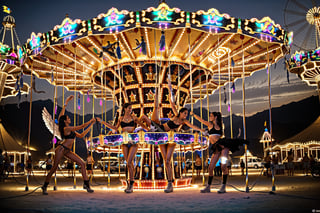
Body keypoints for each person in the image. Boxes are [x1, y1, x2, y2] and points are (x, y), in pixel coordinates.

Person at [139, 76, 204, 193]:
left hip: (171, 138)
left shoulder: (184, 121)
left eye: (186, 114)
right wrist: (169, 87)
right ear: (180, 112)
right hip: (160, 133)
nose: (186, 115)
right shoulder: (175, 115)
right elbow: (171, 102)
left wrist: (201, 130)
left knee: (168, 160)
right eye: (184, 113)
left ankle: (170, 183)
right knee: (165, 160)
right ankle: (143, 128)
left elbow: (192, 126)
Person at [41, 95, 96, 195]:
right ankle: (44, 186)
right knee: (54, 168)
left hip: (67, 151)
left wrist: (91, 125)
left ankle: (86, 185)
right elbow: (81, 126)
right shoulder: (66, 129)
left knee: (83, 164)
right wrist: (90, 121)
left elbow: (82, 134)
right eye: (68, 118)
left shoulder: (70, 130)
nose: (69, 119)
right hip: (61, 149)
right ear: (65, 121)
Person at [191, 111, 249, 193]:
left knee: (223, 166)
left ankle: (223, 186)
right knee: (210, 167)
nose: (210, 117)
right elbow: (201, 120)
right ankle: (208, 187)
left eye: (211, 116)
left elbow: (220, 136)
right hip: (216, 147)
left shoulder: (220, 126)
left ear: (215, 117)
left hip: (224, 146)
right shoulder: (210, 125)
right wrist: (194, 115)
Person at [97, 102, 148, 193]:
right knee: (129, 164)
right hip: (124, 143)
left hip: (133, 142)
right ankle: (130, 183)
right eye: (129, 108)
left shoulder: (134, 118)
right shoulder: (121, 119)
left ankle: (131, 183)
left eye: (131, 108)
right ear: (124, 109)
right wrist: (102, 122)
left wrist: (140, 131)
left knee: (128, 162)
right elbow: (115, 128)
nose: (130, 109)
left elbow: (143, 126)